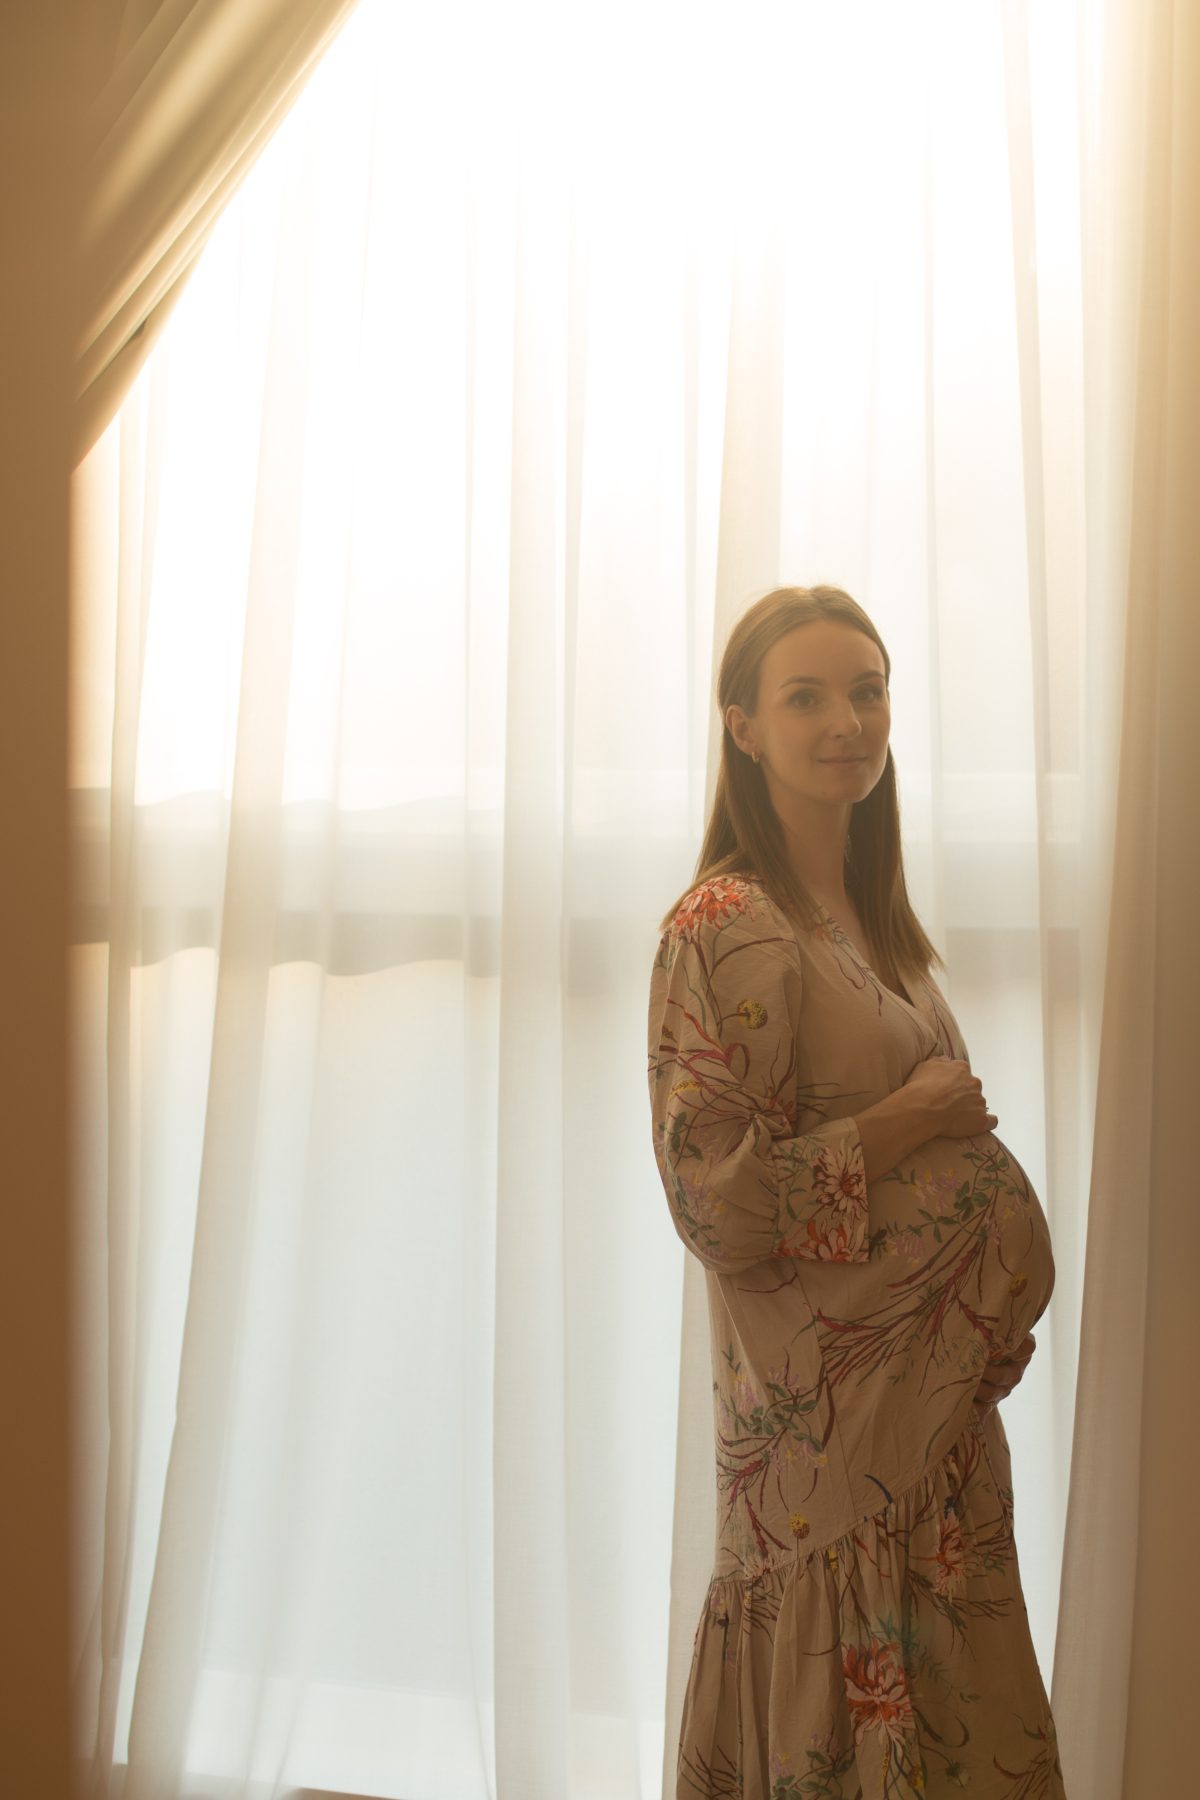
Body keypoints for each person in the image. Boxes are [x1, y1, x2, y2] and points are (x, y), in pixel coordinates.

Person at [647, 586, 1065, 1799]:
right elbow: (719, 1204)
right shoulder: (729, 924)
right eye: (807, 697)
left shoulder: (878, 925)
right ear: (743, 727)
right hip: (829, 1461)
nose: (848, 720)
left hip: (930, 1436)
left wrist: (977, 1315)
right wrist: (908, 1120)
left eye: (867, 691)